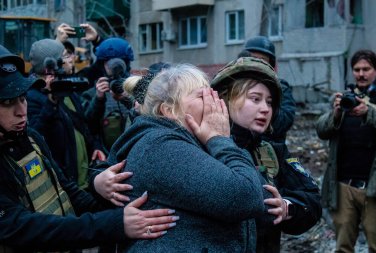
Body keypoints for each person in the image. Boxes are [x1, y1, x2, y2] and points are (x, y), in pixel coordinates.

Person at [0, 45, 177, 252]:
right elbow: (21, 226)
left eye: (23, 98)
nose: (22, 112)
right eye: (8, 102)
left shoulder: (30, 138)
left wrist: (106, 193)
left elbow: (68, 191)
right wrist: (114, 224)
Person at [97, 63, 276, 252]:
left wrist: (218, 140)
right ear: (169, 111)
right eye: (202, 96)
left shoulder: (198, 142)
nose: (215, 102)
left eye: (213, 94)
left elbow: (266, 205)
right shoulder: (160, 147)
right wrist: (220, 139)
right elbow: (246, 198)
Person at [210, 57, 322, 253]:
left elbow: (312, 200)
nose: (265, 109)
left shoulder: (272, 151)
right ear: (226, 99)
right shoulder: (201, 148)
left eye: (269, 102)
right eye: (255, 99)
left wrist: (287, 207)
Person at [316, 49, 376, 253]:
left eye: (366, 69)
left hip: (375, 186)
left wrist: (369, 112)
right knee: (343, 244)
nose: (361, 74)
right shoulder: (344, 99)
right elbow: (321, 130)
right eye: (357, 69)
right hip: (344, 185)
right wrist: (336, 113)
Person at [26, 38, 105, 189]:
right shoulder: (31, 97)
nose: (70, 59)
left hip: (85, 178)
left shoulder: (67, 88)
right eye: (65, 56)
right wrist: (51, 102)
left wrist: (95, 146)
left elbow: (83, 125)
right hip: (66, 184)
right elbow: (36, 136)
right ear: (50, 65)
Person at [243, 36, 296, 143]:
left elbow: (285, 121)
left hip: (270, 147)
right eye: (253, 59)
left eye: (262, 61)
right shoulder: (237, 86)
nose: (257, 64)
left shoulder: (281, 87)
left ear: (270, 64)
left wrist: (265, 106)